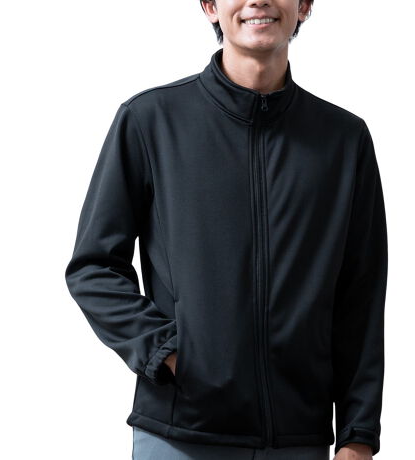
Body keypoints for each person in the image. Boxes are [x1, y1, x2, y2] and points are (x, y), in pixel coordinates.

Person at [65, 1, 388, 459]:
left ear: (303, 5)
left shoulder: (343, 140)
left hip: (298, 439)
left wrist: (358, 435)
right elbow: (93, 267)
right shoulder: (151, 121)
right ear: (211, 6)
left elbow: (361, 296)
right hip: (180, 434)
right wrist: (166, 352)